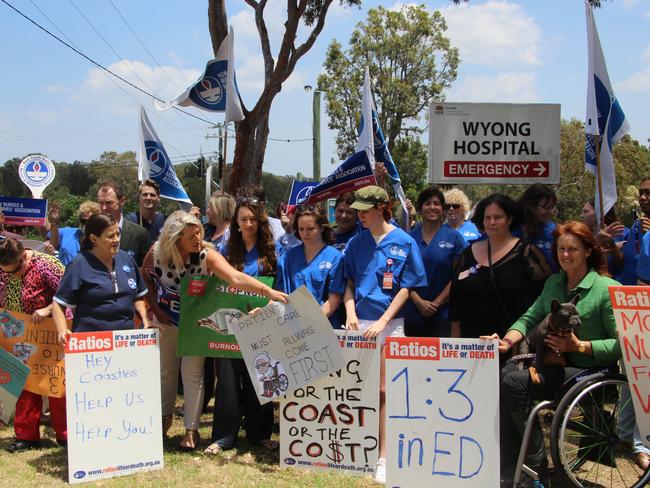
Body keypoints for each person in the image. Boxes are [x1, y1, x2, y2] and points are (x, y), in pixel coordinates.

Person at [482, 221, 621, 486]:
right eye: (561, 249)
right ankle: (509, 463)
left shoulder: (606, 289)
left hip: (591, 371)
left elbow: (620, 344)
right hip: (556, 366)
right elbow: (530, 316)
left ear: (588, 251)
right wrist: (506, 340)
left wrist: (579, 346)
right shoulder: (555, 283)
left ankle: (535, 467)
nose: (565, 255)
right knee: (505, 374)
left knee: (514, 381)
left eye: (573, 249)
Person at [142, 210, 287, 450]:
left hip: (195, 323)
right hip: (166, 321)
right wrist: (155, 309)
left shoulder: (206, 255)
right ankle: (162, 421)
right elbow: (144, 278)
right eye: (191, 236)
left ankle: (191, 430)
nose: (198, 238)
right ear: (175, 237)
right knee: (166, 372)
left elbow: (235, 278)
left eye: (199, 232)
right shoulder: (157, 251)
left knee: (193, 373)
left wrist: (266, 291)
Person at [342, 185, 426, 483]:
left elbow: (407, 286)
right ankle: (356, 450)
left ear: (381, 208)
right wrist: (350, 313)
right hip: (358, 326)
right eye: (358, 210)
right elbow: (349, 283)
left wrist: (384, 320)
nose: (360, 215)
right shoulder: (355, 243)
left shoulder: (404, 241)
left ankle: (384, 457)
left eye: (365, 210)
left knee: (385, 391)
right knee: (358, 390)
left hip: (390, 325)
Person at [205, 198, 286, 454]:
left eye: (253, 219)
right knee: (228, 380)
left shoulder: (273, 250)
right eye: (243, 219)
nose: (248, 224)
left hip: (264, 322)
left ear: (260, 221)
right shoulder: (227, 250)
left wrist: (268, 308)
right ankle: (224, 436)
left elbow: (279, 287)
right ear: (236, 222)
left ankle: (259, 433)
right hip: (232, 325)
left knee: (262, 378)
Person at [450, 193, 551, 341]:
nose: (492, 222)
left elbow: (543, 302)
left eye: (498, 217)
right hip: (471, 347)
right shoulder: (468, 253)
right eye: (487, 218)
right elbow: (456, 304)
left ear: (509, 219)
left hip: (513, 346)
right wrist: (455, 343)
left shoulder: (527, 253)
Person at [0, 238, 67, 452]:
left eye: (18, 269)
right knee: (24, 383)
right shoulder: (5, 269)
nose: (13, 275)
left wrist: (48, 309)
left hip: (50, 333)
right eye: (7, 272)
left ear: (24, 255)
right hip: (17, 333)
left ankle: (66, 434)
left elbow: (68, 295)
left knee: (56, 384)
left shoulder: (47, 265)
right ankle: (27, 436)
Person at [52, 213, 150, 339]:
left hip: (125, 341)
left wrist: (145, 319)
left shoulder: (127, 259)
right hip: (91, 344)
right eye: (110, 236)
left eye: (118, 234)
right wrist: (62, 330)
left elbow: (138, 296)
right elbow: (59, 303)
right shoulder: (78, 265)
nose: (116, 239)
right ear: (94, 239)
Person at [405, 187, 466, 338]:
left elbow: (459, 276)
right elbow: (401, 275)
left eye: (437, 203)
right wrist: (419, 302)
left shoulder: (455, 238)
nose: (432, 207)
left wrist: (436, 303)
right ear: (419, 209)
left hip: (443, 316)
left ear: (443, 209)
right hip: (412, 314)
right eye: (427, 203)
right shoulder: (408, 238)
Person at [276, 204, 345, 327]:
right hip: (292, 327)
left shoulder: (334, 257)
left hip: (324, 326)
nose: (305, 233)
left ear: (322, 228)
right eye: (301, 229)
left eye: (310, 229)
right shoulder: (288, 257)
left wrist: (312, 323)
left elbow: (334, 299)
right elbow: (279, 293)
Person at [97, 180, 149, 266]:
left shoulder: (139, 234)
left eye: (109, 203)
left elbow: (144, 270)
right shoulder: (91, 232)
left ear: (122, 201)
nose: (104, 208)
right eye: (101, 203)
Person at [515, 184, 558, 269]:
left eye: (552, 207)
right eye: (546, 207)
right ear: (530, 205)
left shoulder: (553, 231)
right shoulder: (510, 228)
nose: (551, 212)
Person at [47, 200, 100, 266]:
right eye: (83, 221)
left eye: (90, 221)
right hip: (65, 275)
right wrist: (53, 222)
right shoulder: (66, 232)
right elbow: (53, 243)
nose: (86, 225)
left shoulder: (102, 242)